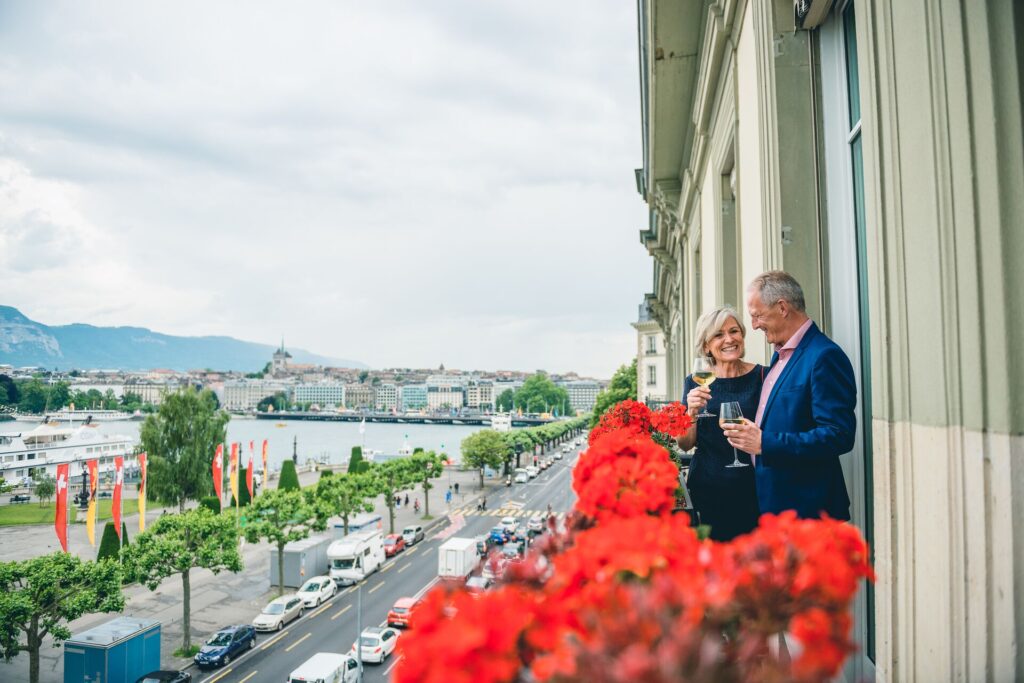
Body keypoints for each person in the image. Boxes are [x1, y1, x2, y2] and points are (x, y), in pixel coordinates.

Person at [722, 271, 855, 521]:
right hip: (775, 507)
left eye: (757, 315)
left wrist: (765, 443)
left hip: (808, 512)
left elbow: (839, 435)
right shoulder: (780, 355)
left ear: (782, 307)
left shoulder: (824, 356)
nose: (754, 325)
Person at [677, 306, 763, 541]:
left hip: (755, 491)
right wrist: (691, 412)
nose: (729, 339)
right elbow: (685, 444)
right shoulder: (694, 381)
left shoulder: (764, 376)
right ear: (706, 346)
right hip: (709, 490)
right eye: (718, 335)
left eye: (734, 331)